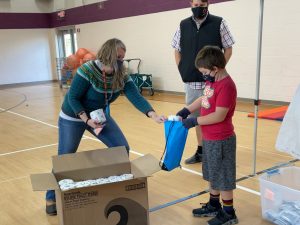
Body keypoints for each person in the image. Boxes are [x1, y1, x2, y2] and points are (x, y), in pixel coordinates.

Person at [45, 38, 166, 216]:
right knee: (65, 158)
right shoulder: (87, 70)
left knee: (121, 147)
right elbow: (73, 98)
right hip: (73, 115)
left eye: (123, 57)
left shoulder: (121, 74)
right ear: (108, 55)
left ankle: (114, 186)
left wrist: (152, 114)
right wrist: (86, 120)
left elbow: (135, 95)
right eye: (118, 57)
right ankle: (50, 197)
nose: (121, 61)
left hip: (98, 116)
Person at [177, 46, 238, 225]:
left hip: (221, 139)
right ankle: (214, 205)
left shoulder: (226, 85)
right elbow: (203, 99)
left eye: (204, 72)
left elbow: (219, 115)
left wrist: (195, 122)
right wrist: (187, 110)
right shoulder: (212, 81)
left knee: (223, 177)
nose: (203, 76)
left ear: (215, 69)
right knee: (213, 174)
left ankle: (229, 213)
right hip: (210, 138)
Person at [172, 0, 235, 164]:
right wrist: (182, 69)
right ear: (190, 5)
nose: (197, 7)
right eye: (194, 4)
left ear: (207, 4)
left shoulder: (219, 23)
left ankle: (213, 147)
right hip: (192, 81)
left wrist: (218, 69)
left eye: (200, 4)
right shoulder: (183, 24)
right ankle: (202, 150)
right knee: (197, 115)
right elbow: (176, 49)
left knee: (213, 115)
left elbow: (228, 48)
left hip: (213, 80)